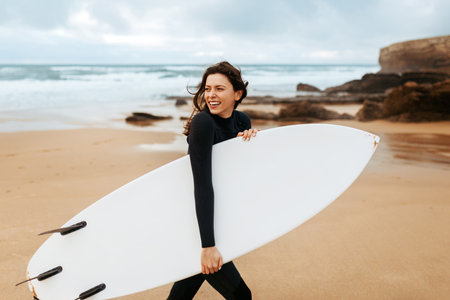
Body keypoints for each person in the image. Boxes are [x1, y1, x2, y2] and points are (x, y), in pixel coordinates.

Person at [167, 61, 259, 300]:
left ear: (237, 94)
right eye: (207, 89)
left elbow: (237, 179)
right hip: (199, 224)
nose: (211, 95)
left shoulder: (242, 122)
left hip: (217, 221)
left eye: (219, 88)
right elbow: (202, 185)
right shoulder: (203, 123)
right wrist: (207, 245)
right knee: (242, 296)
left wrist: (249, 144)